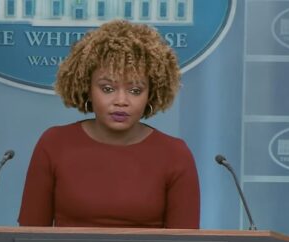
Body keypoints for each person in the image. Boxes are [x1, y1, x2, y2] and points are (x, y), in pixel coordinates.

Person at [18, 20, 200, 229]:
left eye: (135, 90)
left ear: (152, 93)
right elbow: (28, 240)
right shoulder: (54, 144)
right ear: (87, 87)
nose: (121, 100)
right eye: (107, 89)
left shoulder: (175, 154)